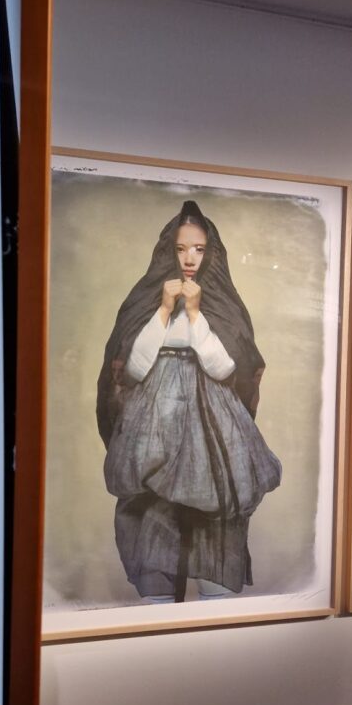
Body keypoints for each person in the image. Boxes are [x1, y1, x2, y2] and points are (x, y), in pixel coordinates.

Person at [96, 200, 281, 603]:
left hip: (212, 425)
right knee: (153, 513)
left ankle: (212, 606)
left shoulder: (223, 304)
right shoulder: (146, 301)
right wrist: (165, 309)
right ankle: (159, 602)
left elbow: (225, 368)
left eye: (198, 249)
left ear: (211, 252)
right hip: (153, 422)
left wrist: (195, 314)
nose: (189, 258)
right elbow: (133, 368)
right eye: (181, 249)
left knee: (212, 514)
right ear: (168, 251)